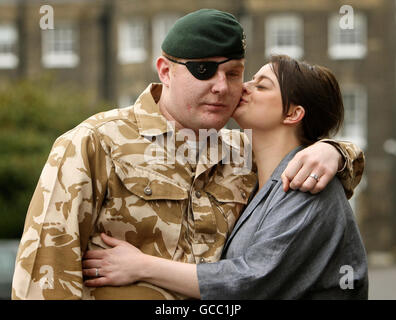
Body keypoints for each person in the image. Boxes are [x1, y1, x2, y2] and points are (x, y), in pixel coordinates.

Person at [12, 9, 364, 300]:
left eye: (234, 73)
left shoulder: (245, 152)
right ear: (165, 70)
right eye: (202, 70)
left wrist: (336, 151)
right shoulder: (94, 143)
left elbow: (304, 168)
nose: (221, 87)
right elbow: (46, 268)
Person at [82, 55, 368, 299]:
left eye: (261, 86)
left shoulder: (307, 185)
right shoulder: (246, 171)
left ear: (293, 113)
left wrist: (141, 266)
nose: (243, 88)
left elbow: (250, 281)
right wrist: (338, 149)